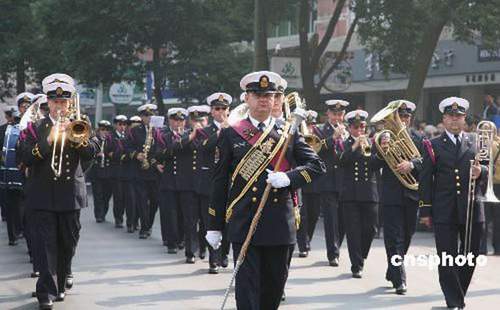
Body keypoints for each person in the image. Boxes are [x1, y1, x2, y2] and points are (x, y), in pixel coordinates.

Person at [206, 71, 325, 309]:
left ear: (275, 99)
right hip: (245, 222)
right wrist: (214, 225)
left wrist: (288, 178)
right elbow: (219, 182)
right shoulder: (231, 134)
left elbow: (316, 166)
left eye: (269, 95)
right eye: (257, 94)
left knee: (272, 292)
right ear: (247, 98)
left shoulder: (288, 132)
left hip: (280, 224)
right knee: (247, 294)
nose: (264, 99)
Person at [22, 73, 98, 309]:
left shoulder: (80, 123)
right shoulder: (36, 126)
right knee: (45, 245)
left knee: (68, 243)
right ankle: (45, 292)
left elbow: (93, 152)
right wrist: (49, 141)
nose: (59, 106)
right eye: (55, 102)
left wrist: (77, 139)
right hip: (42, 195)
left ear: (69, 102)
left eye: (64, 102)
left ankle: (62, 280)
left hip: (70, 196)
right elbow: (24, 155)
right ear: (48, 103)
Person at [419, 97, 487, 309]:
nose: (455, 120)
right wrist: (425, 210)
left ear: (464, 119)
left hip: (472, 207)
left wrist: (481, 171)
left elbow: (488, 168)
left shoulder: (476, 141)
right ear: (444, 119)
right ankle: (454, 300)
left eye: (459, 117)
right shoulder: (432, 144)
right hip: (445, 209)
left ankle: (458, 294)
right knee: (447, 257)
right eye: (451, 116)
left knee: (470, 256)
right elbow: (425, 179)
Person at [372, 100, 424, 294]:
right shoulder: (381, 138)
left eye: (406, 117)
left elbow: (425, 162)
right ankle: (400, 279)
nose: (402, 120)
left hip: (411, 193)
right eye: (399, 116)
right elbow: (372, 165)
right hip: (391, 195)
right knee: (394, 238)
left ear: (410, 119)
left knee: (408, 235)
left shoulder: (418, 138)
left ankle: (393, 269)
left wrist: (412, 165)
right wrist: (382, 152)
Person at [193, 93, 231, 273]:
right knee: (210, 222)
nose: (221, 112)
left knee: (228, 220)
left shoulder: (235, 128)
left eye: (224, 109)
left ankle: (224, 253)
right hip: (209, 183)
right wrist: (220, 131)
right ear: (211, 112)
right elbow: (204, 147)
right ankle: (212, 259)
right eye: (217, 109)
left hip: (229, 182)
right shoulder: (203, 131)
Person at [339, 109, 379, 278]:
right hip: (350, 194)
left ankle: (361, 255)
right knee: (353, 230)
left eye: (362, 127)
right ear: (350, 128)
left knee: (371, 229)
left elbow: (377, 165)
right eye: (356, 127)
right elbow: (341, 161)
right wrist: (355, 146)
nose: (360, 131)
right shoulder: (344, 142)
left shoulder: (373, 142)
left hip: (369, 193)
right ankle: (357, 265)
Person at [315, 99, 349, 266]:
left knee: (343, 219)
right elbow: (316, 150)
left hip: (345, 181)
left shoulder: (349, 131)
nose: (337, 117)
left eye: (340, 114)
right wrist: (332, 138)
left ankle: (337, 245)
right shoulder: (320, 130)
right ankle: (332, 253)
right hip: (328, 180)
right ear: (328, 114)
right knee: (331, 219)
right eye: (334, 114)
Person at [125, 104, 160, 239]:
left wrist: (153, 161)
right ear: (141, 117)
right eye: (146, 116)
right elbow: (127, 147)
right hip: (139, 171)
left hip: (154, 171)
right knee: (142, 200)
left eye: (151, 115)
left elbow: (162, 148)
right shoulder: (135, 131)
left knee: (155, 201)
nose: (149, 118)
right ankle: (144, 228)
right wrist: (136, 155)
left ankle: (149, 224)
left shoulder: (159, 131)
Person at [89, 120, 113, 223]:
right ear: (98, 130)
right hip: (96, 171)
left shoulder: (111, 141)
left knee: (106, 195)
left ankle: (104, 212)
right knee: (98, 195)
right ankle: (99, 215)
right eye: (102, 130)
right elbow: (88, 153)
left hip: (108, 172)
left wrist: (108, 154)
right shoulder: (94, 140)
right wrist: (95, 155)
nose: (104, 132)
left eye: (106, 130)